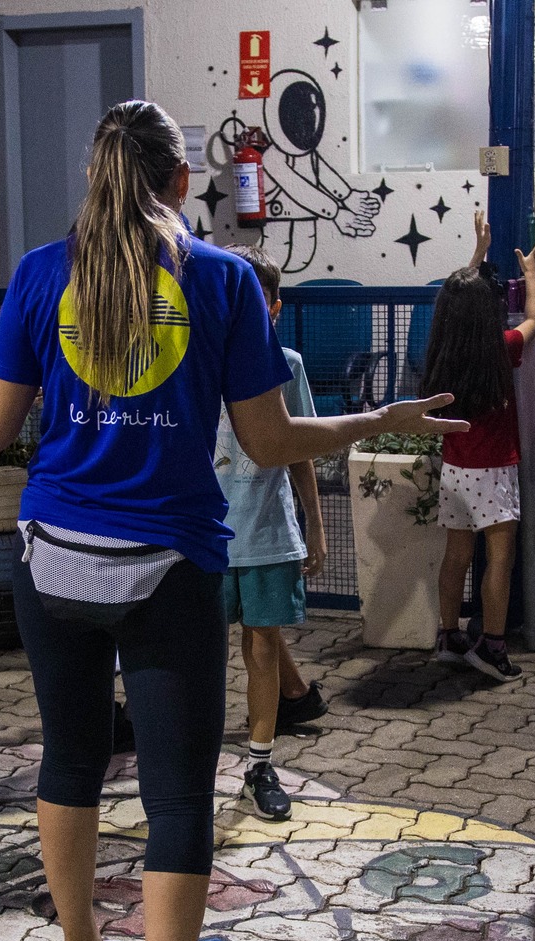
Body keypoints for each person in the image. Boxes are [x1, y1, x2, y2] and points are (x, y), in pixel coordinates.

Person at [0, 100, 464, 941]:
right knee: (176, 797)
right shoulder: (219, 278)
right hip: (168, 567)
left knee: (70, 760)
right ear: (181, 180)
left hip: (51, 558)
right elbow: (268, 441)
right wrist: (376, 418)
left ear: (93, 176)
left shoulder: (42, 273)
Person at [212, 244, 328, 821]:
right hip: (204, 534)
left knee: (262, 645)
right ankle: (187, 760)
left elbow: (300, 447)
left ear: (275, 307)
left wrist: (316, 526)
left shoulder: (289, 365)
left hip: (266, 530)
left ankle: (259, 764)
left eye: (254, 302)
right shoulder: (195, 363)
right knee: (198, 650)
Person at [422, 210, 535, 681]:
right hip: (494, 470)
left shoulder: (442, 352)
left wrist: (477, 254)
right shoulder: (501, 347)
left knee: (456, 555)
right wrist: (531, 274)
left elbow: (457, 297)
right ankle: (493, 648)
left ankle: (449, 636)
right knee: (499, 558)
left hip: (455, 468)